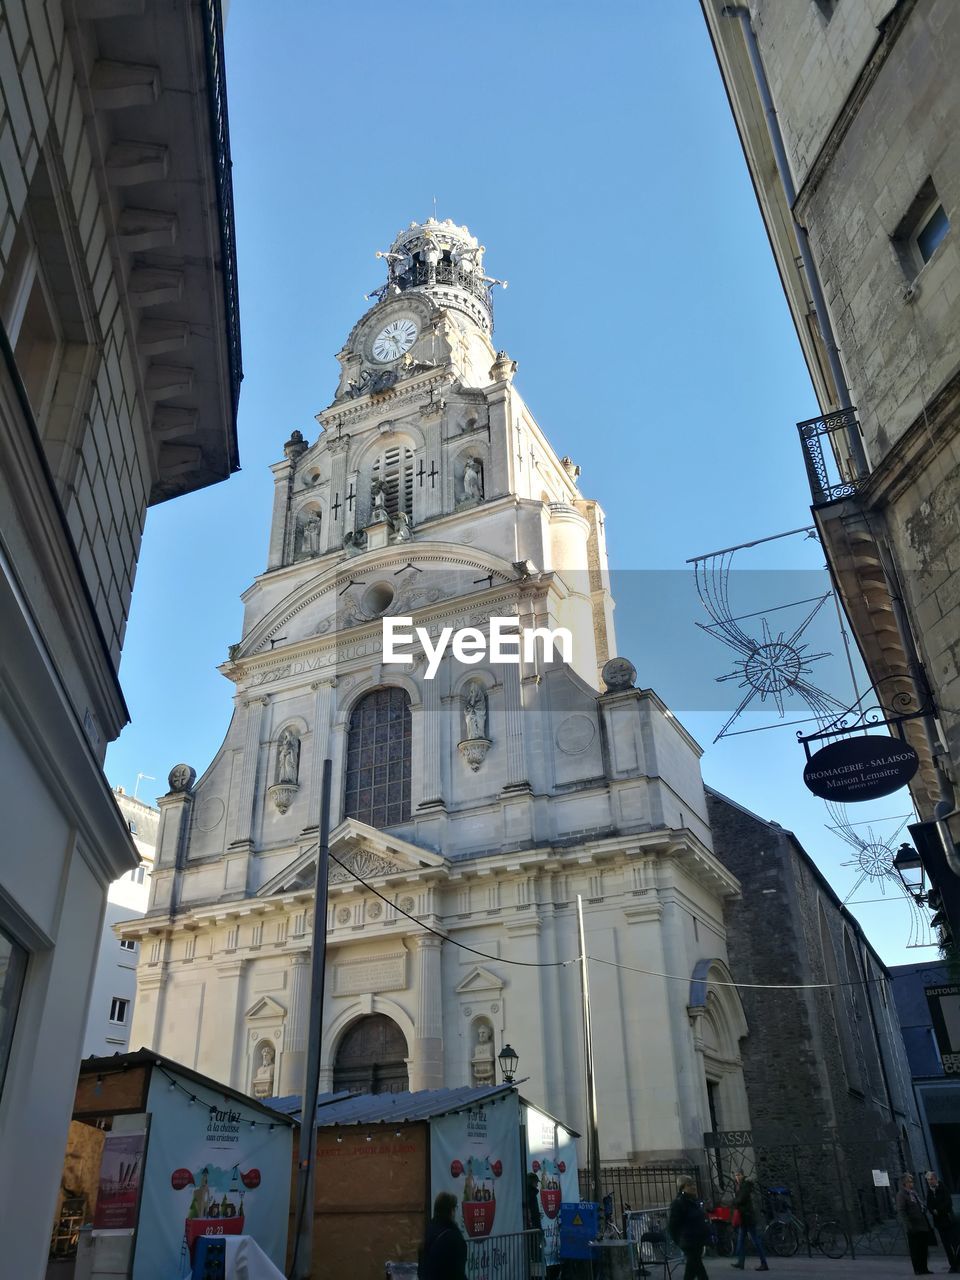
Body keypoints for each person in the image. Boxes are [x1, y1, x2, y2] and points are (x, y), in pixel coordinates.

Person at [669, 1175, 711, 1280]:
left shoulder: (693, 1201)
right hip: (688, 1241)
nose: (693, 1187)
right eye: (689, 1185)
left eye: (693, 1184)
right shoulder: (679, 1203)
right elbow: (673, 1225)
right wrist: (678, 1240)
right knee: (700, 1270)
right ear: (682, 1187)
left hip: (697, 1240)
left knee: (691, 1270)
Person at [419, 1191, 467, 1280]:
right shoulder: (453, 1238)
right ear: (451, 1211)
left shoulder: (430, 1230)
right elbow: (458, 1274)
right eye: (455, 1208)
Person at [729, 1171, 769, 1272]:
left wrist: (734, 1202)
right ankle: (741, 1262)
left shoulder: (746, 1185)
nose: (737, 1177)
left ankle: (764, 1263)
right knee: (741, 1241)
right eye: (735, 1175)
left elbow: (741, 1199)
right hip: (743, 1218)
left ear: (742, 1175)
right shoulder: (739, 1186)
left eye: (738, 1175)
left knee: (755, 1240)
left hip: (748, 1217)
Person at [897, 1173, 933, 1275]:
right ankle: (918, 1269)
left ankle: (924, 1268)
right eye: (909, 1181)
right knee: (915, 1249)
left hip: (922, 1224)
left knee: (923, 1248)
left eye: (912, 1181)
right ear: (905, 1183)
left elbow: (920, 1205)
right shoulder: (902, 1195)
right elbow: (902, 1211)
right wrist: (908, 1225)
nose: (911, 1183)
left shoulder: (914, 1193)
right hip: (913, 1226)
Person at [925, 1171, 960, 1273]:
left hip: (949, 1221)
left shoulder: (942, 1188)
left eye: (931, 1179)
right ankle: (953, 1265)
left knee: (955, 1243)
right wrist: (932, 1211)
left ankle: (957, 1262)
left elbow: (948, 1203)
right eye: (928, 1180)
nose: (929, 1182)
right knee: (946, 1245)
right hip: (939, 1223)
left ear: (935, 1179)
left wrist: (939, 1210)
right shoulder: (929, 1192)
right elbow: (929, 1205)